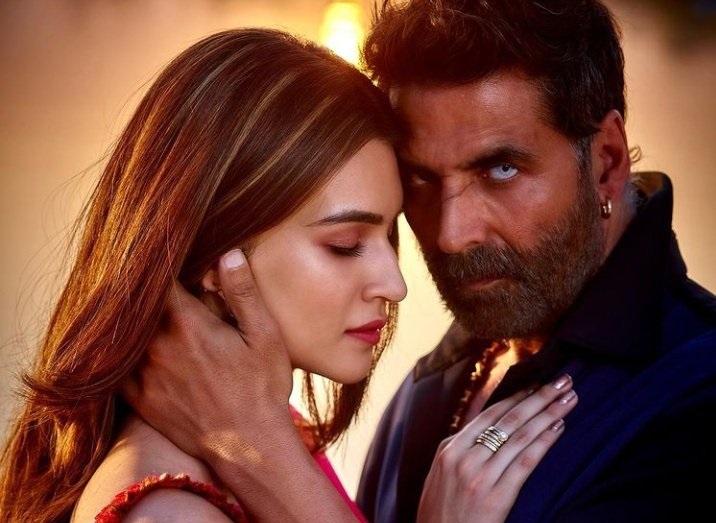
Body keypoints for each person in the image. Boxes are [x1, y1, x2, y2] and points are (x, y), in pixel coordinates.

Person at [122, 0, 716, 522]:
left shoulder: (697, 402)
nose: (451, 235)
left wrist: (254, 447)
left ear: (607, 161)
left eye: (500, 169)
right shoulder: (441, 378)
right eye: (422, 180)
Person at [0, 26, 578, 523]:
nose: (396, 285)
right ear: (216, 258)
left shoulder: (267, 444)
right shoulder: (173, 512)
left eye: (388, 235)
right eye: (346, 245)